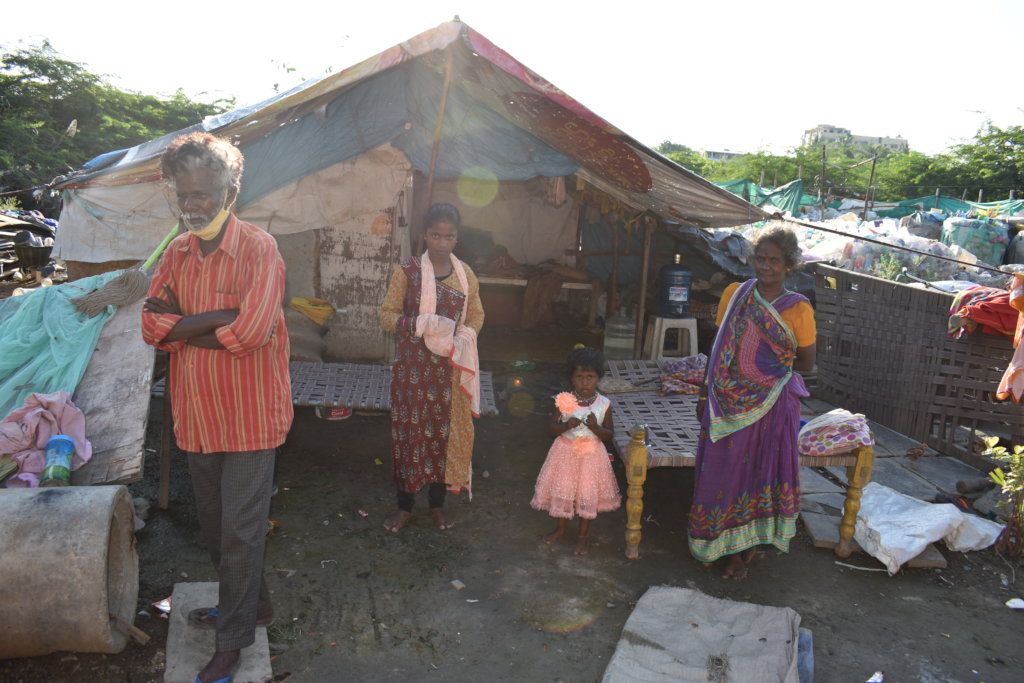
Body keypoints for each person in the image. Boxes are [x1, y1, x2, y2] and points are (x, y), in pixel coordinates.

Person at [141, 132, 292, 683]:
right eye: (183, 194)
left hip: (251, 416)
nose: (191, 204)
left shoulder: (259, 249)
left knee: (241, 533)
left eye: (202, 193)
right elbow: (149, 327)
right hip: (198, 414)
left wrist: (181, 329)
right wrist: (214, 319)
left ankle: (232, 641)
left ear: (229, 191)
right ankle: (254, 605)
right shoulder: (177, 253)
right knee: (214, 527)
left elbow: (251, 333)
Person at [688, 226, 815, 580]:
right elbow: (718, 348)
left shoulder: (798, 308)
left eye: (775, 261)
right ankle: (719, 545)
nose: (766, 266)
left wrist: (762, 372)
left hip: (774, 406)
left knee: (760, 474)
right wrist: (705, 393)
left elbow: (806, 363)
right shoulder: (735, 294)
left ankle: (747, 550)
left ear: (788, 265)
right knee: (724, 471)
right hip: (725, 404)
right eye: (761, 258)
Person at [379, 203, 484, 533]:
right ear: (425, 235)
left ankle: (437, 506)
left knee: (443, 437)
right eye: (436, 235)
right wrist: (419, 324)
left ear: (457, 238)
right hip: (413, 369)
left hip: (450, 370)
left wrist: (464, 336)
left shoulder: (465, 275)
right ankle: (405, 507)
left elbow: (476, 315)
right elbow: (387, 316)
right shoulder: (407, 272)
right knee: (410, 436)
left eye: (449, 236)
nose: (442, 242)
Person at [531, 346, 621, 555]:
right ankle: (561, 529)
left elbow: (609, 435)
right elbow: (551, 428)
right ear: (572, 379)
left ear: (599, 378)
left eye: (590, 377)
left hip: (591, 457)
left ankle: (583, 536)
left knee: (586, 495)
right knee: (562, 491)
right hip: (565, 454)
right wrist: (566, 426)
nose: (584, 382)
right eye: (579, 377)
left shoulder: (604, 404)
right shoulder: (565, 401)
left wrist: (595, 427)